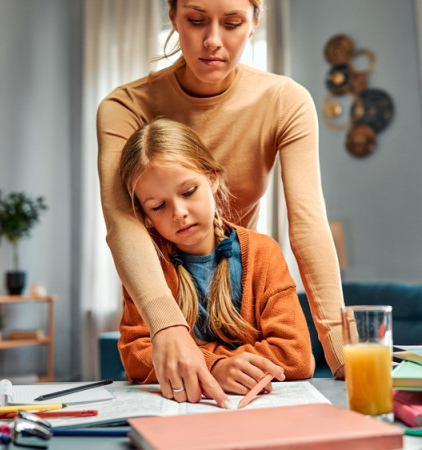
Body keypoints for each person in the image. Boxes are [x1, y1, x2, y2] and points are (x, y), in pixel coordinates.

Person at [97, 0, 344, 407]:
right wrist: (168, 329)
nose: (212, 41)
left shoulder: (285, 100)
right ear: (173, 16)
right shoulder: (124, 107)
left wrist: (341, 349)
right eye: (195, 21)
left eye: (231, 23)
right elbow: (122, 222)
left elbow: (308, 222)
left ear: (254, 22)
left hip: (241, 297)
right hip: (166, 281)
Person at [116, 118, 314, 398]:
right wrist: (217, 367)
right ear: (144, 215)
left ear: (212, 179)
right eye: (158, 206)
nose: (179, 212)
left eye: (188, 192)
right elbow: (136, 357)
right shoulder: (145, 264)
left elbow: (295, 355)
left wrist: (197, 361)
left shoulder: (263, 252)